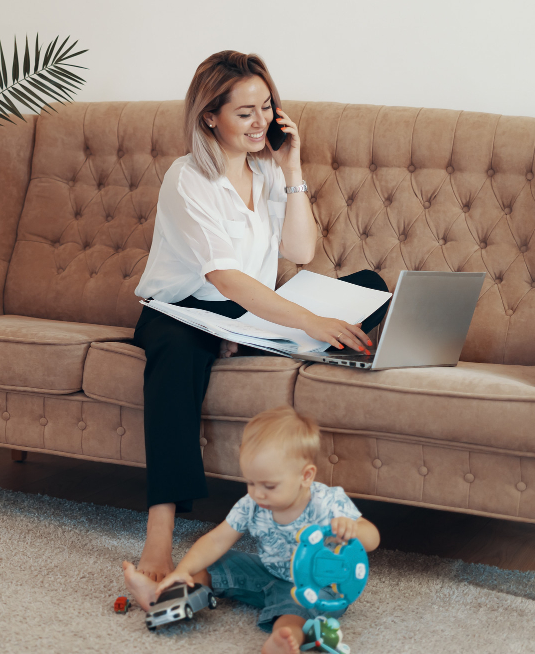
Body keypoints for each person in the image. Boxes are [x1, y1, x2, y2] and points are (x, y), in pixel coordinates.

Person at [128, 49, 389, 582]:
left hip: (245, 311)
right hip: (181, 312)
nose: (261, 121)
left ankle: (245, 339)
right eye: (244, 112)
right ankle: (159, 537)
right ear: (210, 116)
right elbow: (224, 278)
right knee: (180, 353)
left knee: (371, 287)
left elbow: (299, 252)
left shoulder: (268, 170)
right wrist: (307, 323)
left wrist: (291, 167)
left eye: (266, 108)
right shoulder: (187, 178)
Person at [123, 406, 380, 654]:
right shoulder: (251, 504)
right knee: (217, 562)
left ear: (306, 476)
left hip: (316, 588)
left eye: (269, 485)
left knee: (297, 609)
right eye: (251, 482)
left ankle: (284, 639)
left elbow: (373, 538)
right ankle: (165, 596)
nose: (257, 493)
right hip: (267, 573)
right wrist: (181, 571)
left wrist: (351, 529)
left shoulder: (326, 502)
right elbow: (216, 540)